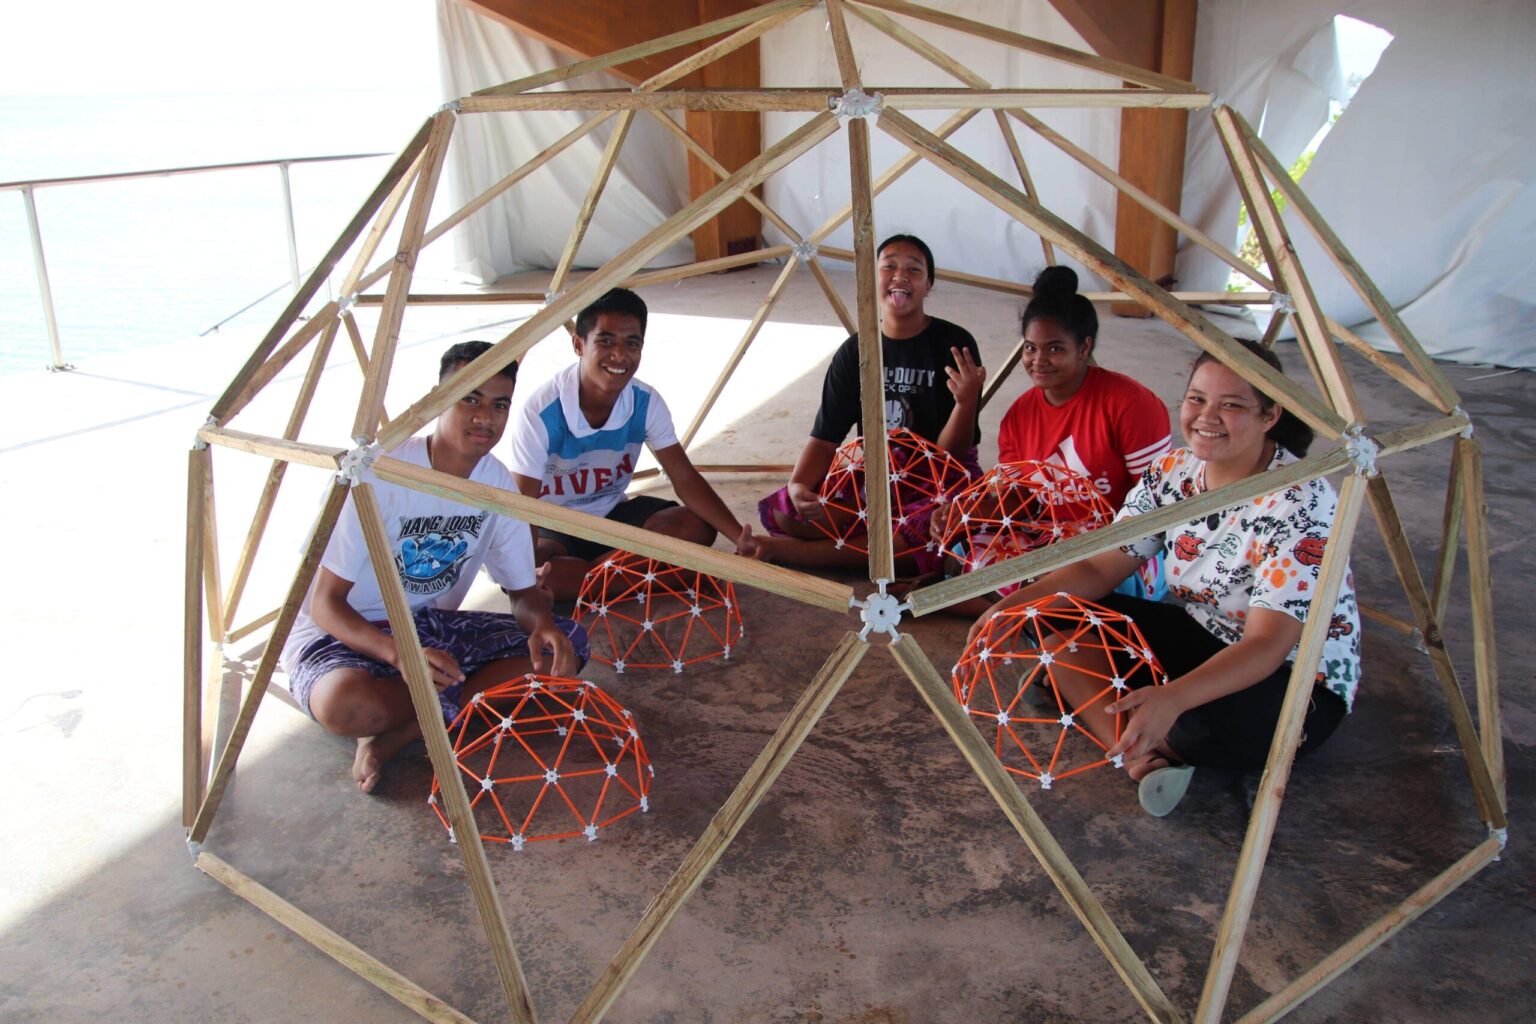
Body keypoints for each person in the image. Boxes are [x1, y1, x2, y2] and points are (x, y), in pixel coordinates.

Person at [968, 340, 1361, 816]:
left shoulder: (1300, 501)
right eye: (1197, 399)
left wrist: (1174, 697)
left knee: (1202, 724)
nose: (1206, 418)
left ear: (1270, 415)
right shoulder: (1173, 472)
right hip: (1202, 631)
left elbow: (1267, 644)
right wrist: (1007, 608)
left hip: (1292, 674)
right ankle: (1141, 753)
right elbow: (1099, 566)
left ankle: (1114, 710)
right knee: (1046, 613)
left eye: (1231, 405)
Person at [280, 341, 589, 794]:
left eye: (499, 404)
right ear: (437, 399)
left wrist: (542, 624)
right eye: (470, 399)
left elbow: (522, 593)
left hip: (428, 627)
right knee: (344, 705)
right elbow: (325, 604)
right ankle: (424, 708)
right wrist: (400, 655)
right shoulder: (378, 472)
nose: (485, 417)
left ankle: (400, 733)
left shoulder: (497, 484)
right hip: (341, 633)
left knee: (568, 646)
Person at [926, 266, 1172, 613]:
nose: (1038, 361)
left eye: (1054, 348)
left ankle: (988, 605)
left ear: (1084, 347)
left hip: (1119, 545)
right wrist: (965, 513)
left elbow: (1159, 502)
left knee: (1065, 576)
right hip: (1049, 538)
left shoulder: (1130, 404)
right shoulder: (1019, 415)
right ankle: (1022, 606)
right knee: (963, 550)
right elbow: (1019, 499)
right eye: (1030, 348)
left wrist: (1087, 546)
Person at [504, 287, 767, 600]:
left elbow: (684, 478)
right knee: (528, 566)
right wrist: (522, 573)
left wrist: (738, 536)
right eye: (605, 341)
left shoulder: (645, 401)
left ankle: (597, 582)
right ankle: (658, 576)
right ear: (579, 345)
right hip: (556, 525)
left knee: (697, 526)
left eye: (632, 343)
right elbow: (524, 505)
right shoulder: (542, 411)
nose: (619, 355)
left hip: (614, 514)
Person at [759, 233, 985, 568]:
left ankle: (796, 552)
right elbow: (824, 437)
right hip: (879, 474)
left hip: (940, 474)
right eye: (888, 267)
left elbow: (950, 455)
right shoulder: (855, 351)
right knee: (787, 512)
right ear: (871, 278)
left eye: (914, 269)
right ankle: (876, 538)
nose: (900, 276)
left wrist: (966, 403)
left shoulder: (953, 343)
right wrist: (798, 485)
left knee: (937, 530)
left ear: (928, 285)